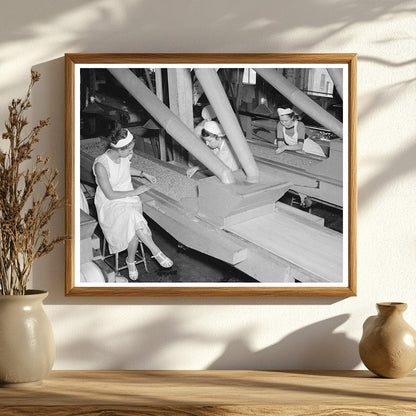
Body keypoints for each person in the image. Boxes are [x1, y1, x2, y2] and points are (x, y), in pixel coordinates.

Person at [93, 128, 173, 281]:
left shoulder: (122, 155)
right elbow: (110, 194)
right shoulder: (101, 165)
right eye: (129, 149)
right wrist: (136, 192)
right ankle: (155, 251)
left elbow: (125, 168)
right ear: (118, 149)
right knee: (132, 217)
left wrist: (143, 173)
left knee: (133, 220)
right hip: (110, 203)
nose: (132, 152)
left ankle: (131, 261)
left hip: (128, 196)